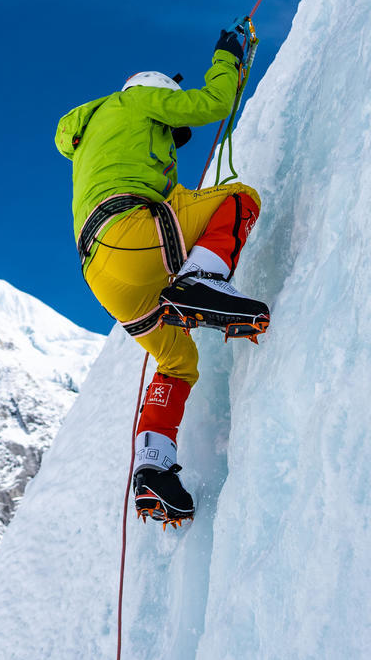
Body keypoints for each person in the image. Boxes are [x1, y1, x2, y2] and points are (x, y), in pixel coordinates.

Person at [54, 28, 270, 527]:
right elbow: (214, 101)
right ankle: (203, 280)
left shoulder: (89, 134)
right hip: (132, 230)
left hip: (104, 274)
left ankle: (153, 469)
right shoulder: (137, 102)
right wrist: (228, 56)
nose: (173, 144)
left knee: (178, 362)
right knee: (238, 198)